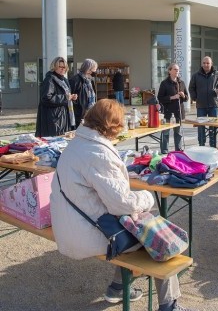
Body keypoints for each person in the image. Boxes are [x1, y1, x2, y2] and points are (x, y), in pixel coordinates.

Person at [50, 99, 192, 311]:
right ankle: (169, 305)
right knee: (159, 238)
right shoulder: (98, 153)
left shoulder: (78, 143)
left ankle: (117, 288)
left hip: (71, 224)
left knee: (135, 228)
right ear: (111, 126)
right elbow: (121, 204)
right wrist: (147, 197)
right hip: (89, 232)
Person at [189, 56, 218, 147]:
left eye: (208, 63)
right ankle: (201, 144)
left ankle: (213, 145)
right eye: (204, 63)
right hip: (201, 105)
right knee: (201, 126)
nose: (206, 65)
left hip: (213, 105)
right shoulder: (196, 75)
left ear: (211, 64)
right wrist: (195, 98)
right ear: (202, 64)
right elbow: (191, 88)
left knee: (213, 126)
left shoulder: (217, 74)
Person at [35, 57, 77, 137]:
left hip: (64, 114)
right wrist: (65, 97)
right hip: (54, 117)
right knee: (55, 141)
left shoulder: (64, 80)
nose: (62, 69)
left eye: (64, 67)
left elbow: (66, 96)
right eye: (59, 67)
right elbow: (46, 98)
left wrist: (72, 98)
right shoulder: (50, 79)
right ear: (54, 67)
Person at [158, 63, 189, 154]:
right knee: (165, 133)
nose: (177, 71)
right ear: (169, 71)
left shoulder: (181, 83)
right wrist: (172, 97)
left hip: (178, 113)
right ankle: (164, 151)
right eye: (175, 69)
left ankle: (178, 151)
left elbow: (187, 98)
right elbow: (160, 98)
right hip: (167, 113)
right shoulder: (164, 83)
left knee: (178, 133)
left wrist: (183, 96)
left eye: (178, 70)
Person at [69, 58, 98, 127]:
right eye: (93, 69)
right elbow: (69, 97)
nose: (94, 72)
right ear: (88, 68)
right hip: (79, 114)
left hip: (90, 112)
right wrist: (76, 103)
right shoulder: (75, 80)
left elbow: (93, 95)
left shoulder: (90, 80)